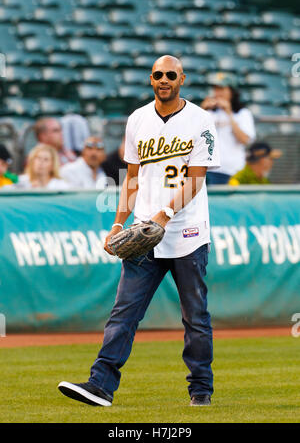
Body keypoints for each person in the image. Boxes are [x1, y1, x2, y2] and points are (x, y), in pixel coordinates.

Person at [58, 54, 220, 407]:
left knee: (195, 316)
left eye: (171, 75)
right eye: (158, 74)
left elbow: (196, 180)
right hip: (144, 232)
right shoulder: (138, 120)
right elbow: (131, 178)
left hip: (188, 233)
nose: (164, 79)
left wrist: (165, 214)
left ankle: (201, 390)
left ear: (182, 79)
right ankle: (100, 385)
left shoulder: (200, 120)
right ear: (151, 79)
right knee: (124, 312)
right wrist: (118, 223)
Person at [201, 72, 256, 185]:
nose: (218, 93)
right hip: (208, 170)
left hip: (232, 171)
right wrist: (201, 110)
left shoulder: (242, 113)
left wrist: (229, 114)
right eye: (216, 89)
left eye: (222, 89)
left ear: (232, 91)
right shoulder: (208, 112)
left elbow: (245, 140)